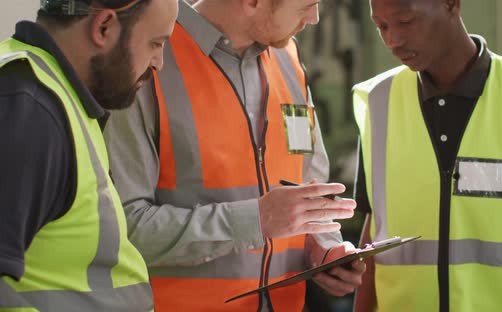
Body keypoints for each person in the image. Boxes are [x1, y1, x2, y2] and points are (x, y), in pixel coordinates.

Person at [103, 0, 365, 311]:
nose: (314, 18)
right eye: (306, 5)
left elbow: (308, 190)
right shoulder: (149, 61)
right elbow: (124, 228)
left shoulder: (289, 61)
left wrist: (324, 250)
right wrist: (256, 219)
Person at [352, 0, 502, 311]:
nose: (393, 41)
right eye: (382, 26)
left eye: (405, 21)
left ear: (451, 4)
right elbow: (373, 232)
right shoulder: (378, 100)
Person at [0, 0, 178, 310]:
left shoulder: (53, 97)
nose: (158, 62)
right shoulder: (29, 110)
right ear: (103, 27)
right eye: (155, 43)